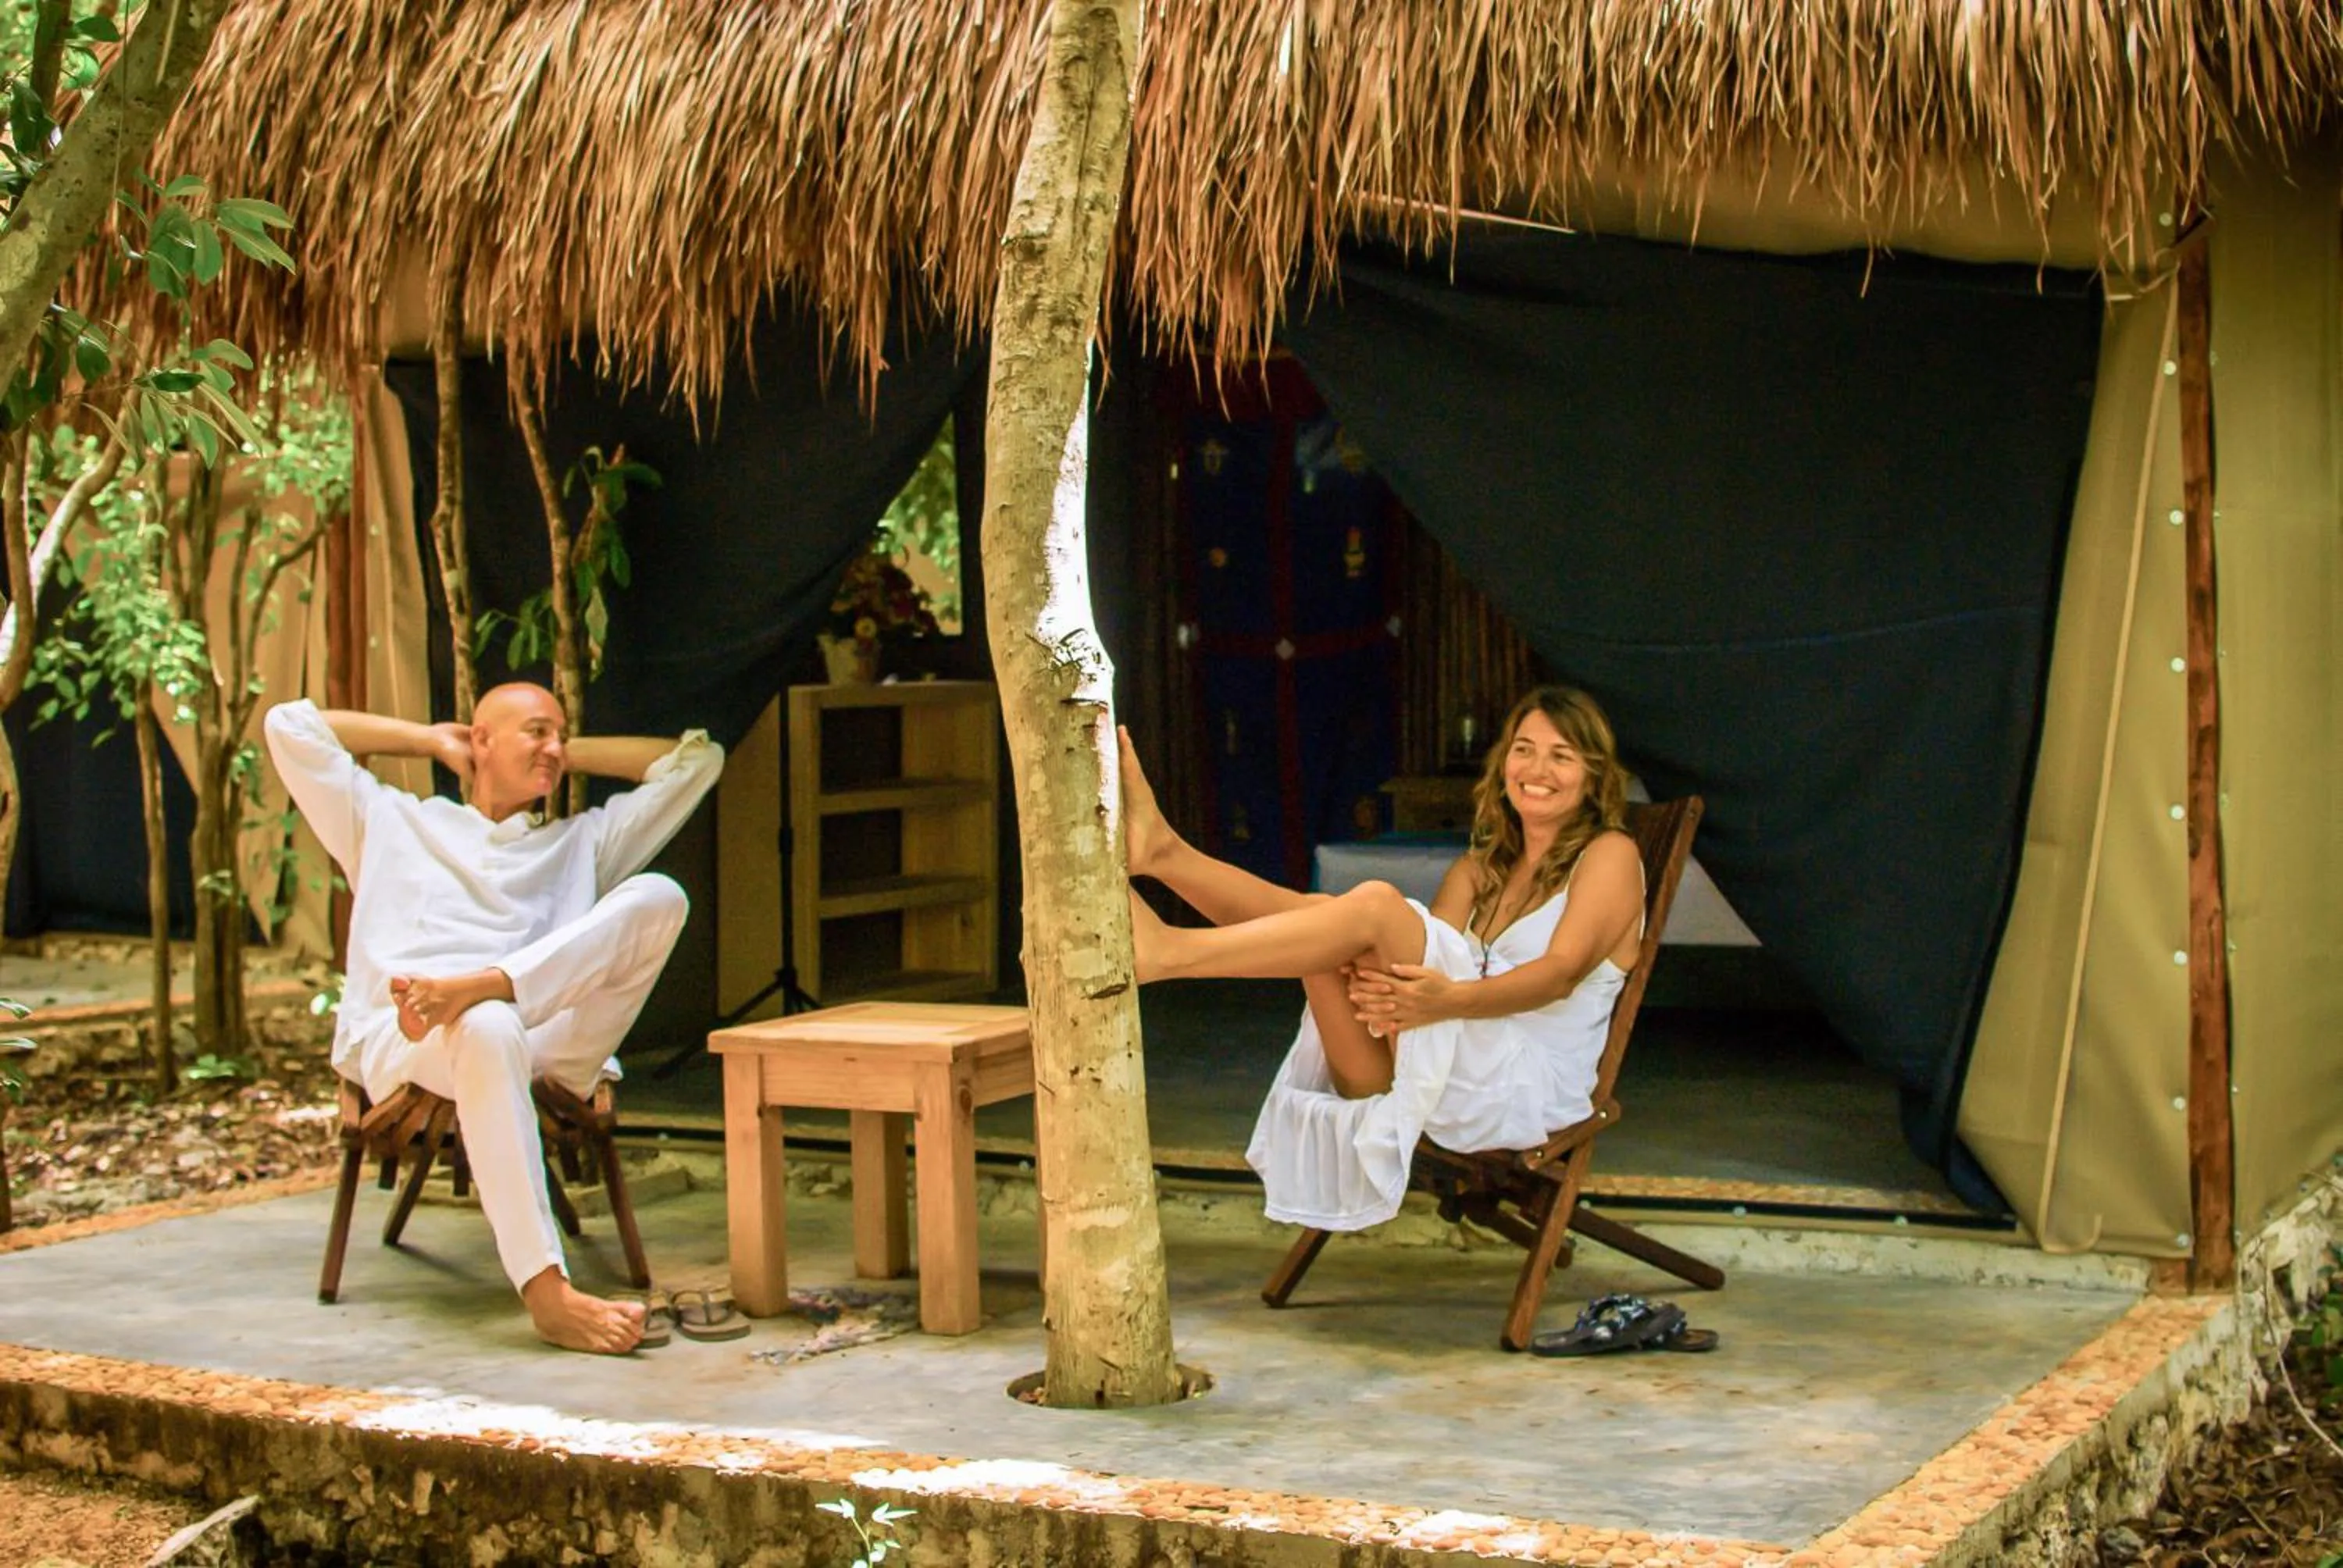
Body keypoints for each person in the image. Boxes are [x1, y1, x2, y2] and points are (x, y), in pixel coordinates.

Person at [265, 684, 724, 1354]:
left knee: (658, 896)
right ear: (481, 740)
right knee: (485, 1027)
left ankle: (490, 984)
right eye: (535, 732)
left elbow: (697, 763)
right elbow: (288, 726)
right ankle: (548, 1295)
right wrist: (428, 739)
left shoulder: (581, 843)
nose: (554, 747)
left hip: (547, 1038)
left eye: (560, 735)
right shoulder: (390, 822)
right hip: (414, 1036)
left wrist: (562, 752)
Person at [1123, 686, 1644, 1231]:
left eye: (1561, 756)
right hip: (1414, 1079)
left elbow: (1560, 975)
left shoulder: (1609, 855)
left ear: (1593, 776)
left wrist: (1449, 1001)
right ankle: (1166, 856)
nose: (1537, 768)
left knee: (1371, 908)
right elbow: (1421, 956)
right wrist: (1410, 993)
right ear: (1503, 762)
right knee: (1329, 927)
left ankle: (1172, 952)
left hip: (1518, 1096)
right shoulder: (1478, 869)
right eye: (1524, 749)